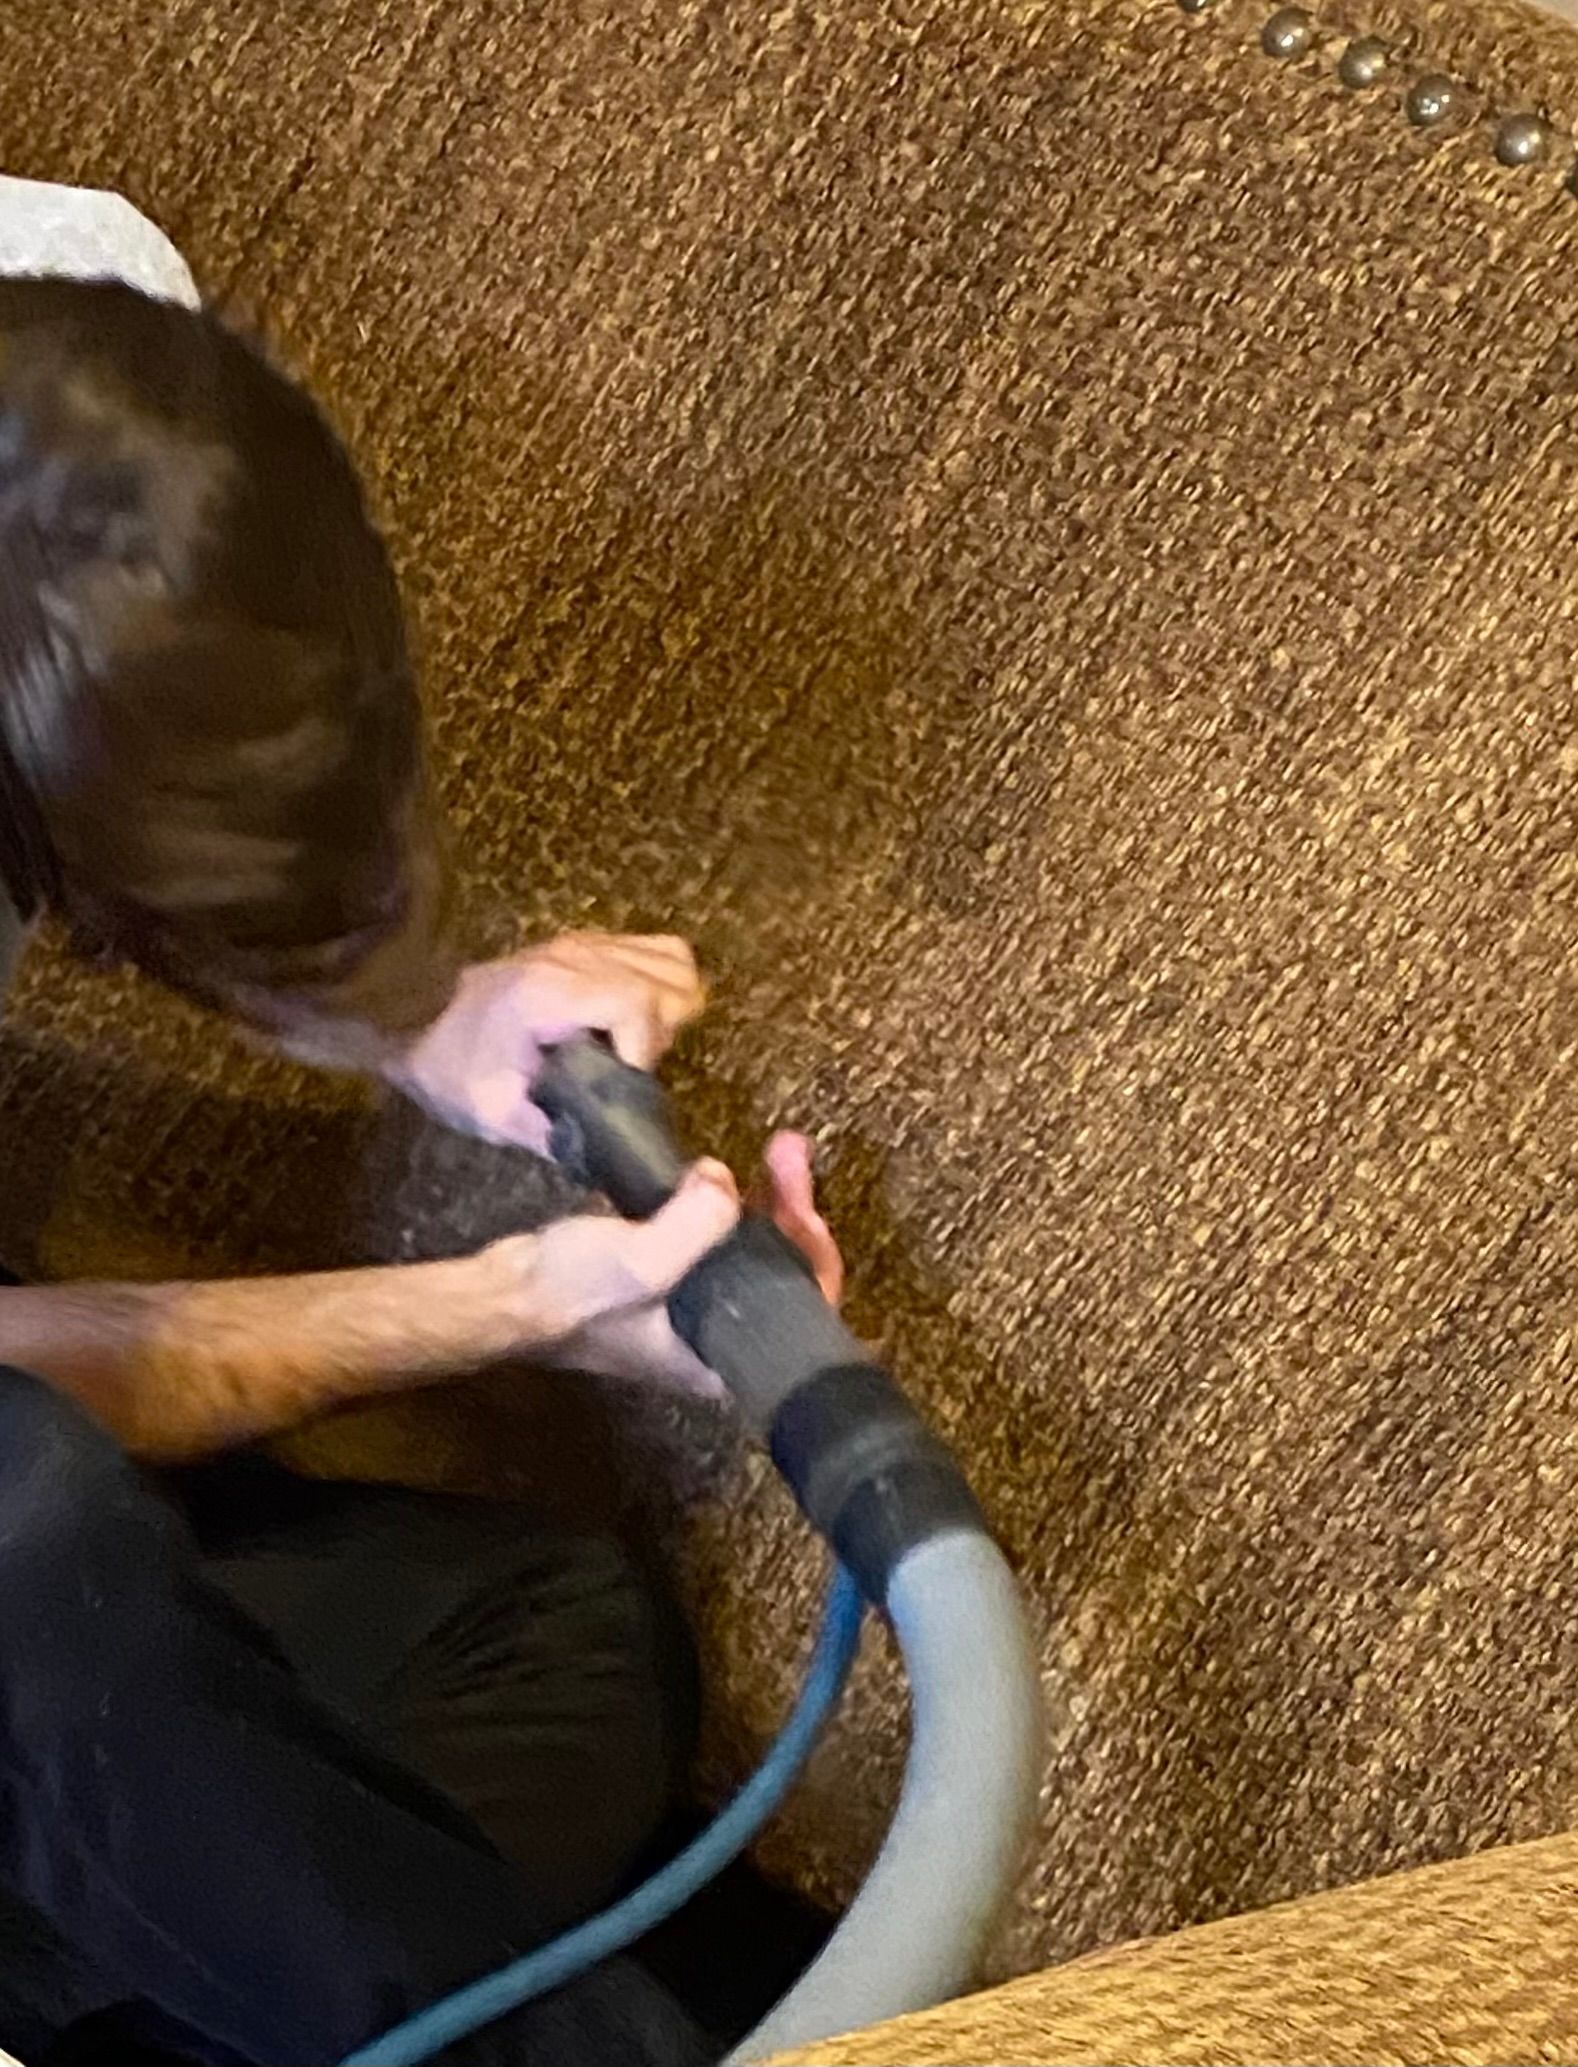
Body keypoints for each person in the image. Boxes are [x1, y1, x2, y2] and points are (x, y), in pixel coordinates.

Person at [0, 275, 842, 2065]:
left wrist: (412, 1007)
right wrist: (509, 1300)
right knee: (29, 1512)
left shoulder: (93, 329)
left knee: (556, 1640)